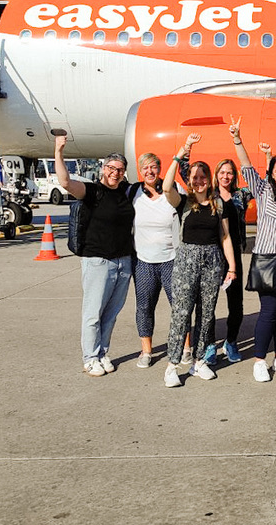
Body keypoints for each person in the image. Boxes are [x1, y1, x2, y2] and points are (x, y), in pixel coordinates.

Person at [228, 118, 276, 383]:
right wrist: (237, 139)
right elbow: (247, 167)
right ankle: (260, 360)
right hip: (267, 262)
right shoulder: (263, 191)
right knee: (269, 312)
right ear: (271, 174)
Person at [55, 136, 135, 377]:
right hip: (98, 261)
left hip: (123, 261)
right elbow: (65, 182)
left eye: (119, 170)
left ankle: (102, 353)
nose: (115, 173)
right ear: (103, 168)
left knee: (111, 313)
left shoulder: (125, 192)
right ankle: (90, 358)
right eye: (111, 168)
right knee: (93, 313)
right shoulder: (92, 191)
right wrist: (58, 152)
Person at [160, 133, 236, 388]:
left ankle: (199, 361)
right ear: (190, 181)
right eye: (194, 178)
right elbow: (166, 187)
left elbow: (225, 237)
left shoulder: (217, 204)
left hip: (212, 261)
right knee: (181, 312)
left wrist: (232, 267)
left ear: (208, 179)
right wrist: (181, 153)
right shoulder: (183, 202)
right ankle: (172, 365)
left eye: (203, 177)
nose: (199, 181)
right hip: (187, 261)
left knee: (206, 314)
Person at [129, 153, 180, 369]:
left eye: (153, 167)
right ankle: (147, 351)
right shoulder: (132, 192)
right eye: (145, 168)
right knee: (144, 306)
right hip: (143, 261)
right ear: (140, 171)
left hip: (171, 260)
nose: (150, 171)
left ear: (160, 169)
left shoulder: (172, 189)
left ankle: (185, 347)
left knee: (180, 306)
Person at [208, 158, 254, 364]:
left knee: (236, 304)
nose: (225, 176)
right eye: (222, 172)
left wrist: (268, 157)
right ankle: (209, 345)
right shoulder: (209, 195)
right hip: (211, 256)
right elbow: (187, 175)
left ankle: (231, 341)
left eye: (229, 173)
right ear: (216, 174)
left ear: (234, 176)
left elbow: (262, 183)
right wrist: (186, 149)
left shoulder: (240, 195)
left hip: (234, 256)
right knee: (208, 303)